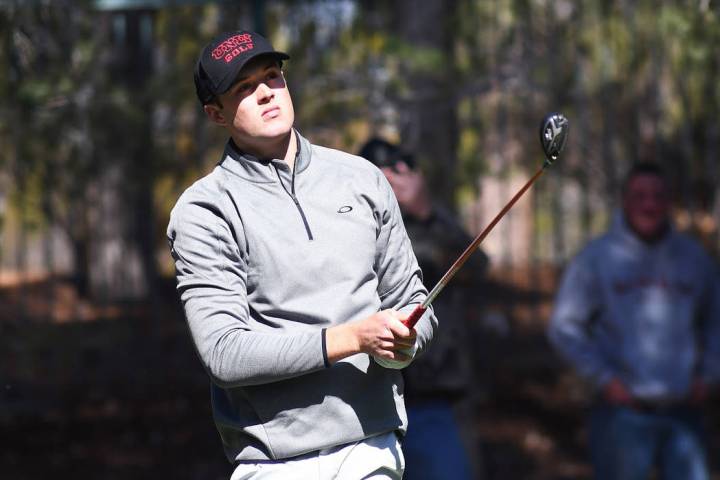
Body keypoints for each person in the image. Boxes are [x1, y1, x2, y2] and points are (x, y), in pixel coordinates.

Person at [166, 31, 438, 479]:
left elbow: (412, 297)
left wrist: (404, 339)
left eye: (272, 77)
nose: (265, 94)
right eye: (244, 88)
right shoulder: (204, 210)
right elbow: (225, 352)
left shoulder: (362, 179)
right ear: (216, 113)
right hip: (275, 463)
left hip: (374, 447)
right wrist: (351, 339)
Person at [547, 162, 720, 480]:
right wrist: (603, 378)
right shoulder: (596, 258)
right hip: (622, 415)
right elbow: (564, 326)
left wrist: (709, 373)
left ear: (669, 202)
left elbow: (715, 321)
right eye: (640, 196)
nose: (649, 204)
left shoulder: (694, 259)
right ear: (625, 201)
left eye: (658, 196)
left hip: (684, 412)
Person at [359, 138, 488, 480]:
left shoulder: (433, 222)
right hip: (375, 399)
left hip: (439, 396)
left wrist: (425, 211)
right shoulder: (355, 224)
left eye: (396, 170)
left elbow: (477, 266)